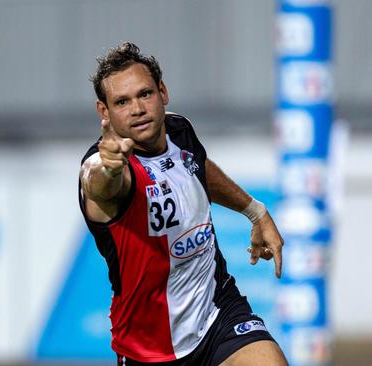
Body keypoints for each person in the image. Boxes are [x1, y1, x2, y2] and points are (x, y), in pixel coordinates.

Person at [78, 42, 287, 366]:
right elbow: (100, 187)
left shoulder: (179, 130)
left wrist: (254, 211)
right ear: (104, 112)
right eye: (121, 101)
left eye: (144, 94)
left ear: (163, 92)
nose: (137, 108)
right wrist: (108, 168)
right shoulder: (107, 168)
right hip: (149, 349)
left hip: (218, 314)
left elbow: (197, 167)